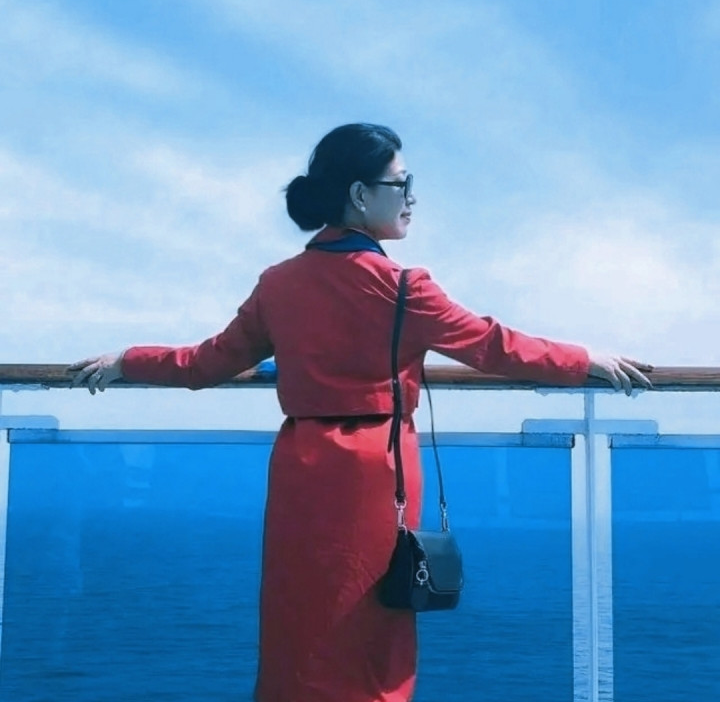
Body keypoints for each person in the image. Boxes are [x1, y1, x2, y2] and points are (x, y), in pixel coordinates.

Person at [69, 123, 652, 702]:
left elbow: (205, 363)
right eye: (402, 184)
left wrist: (128, 360)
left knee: (299, 621)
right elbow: (494, 346)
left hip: (300, 465)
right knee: (373, 623)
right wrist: (585, 360)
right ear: (360, 194)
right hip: (377, 472)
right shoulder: (403, 287)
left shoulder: (278, 284)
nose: (412, 198)